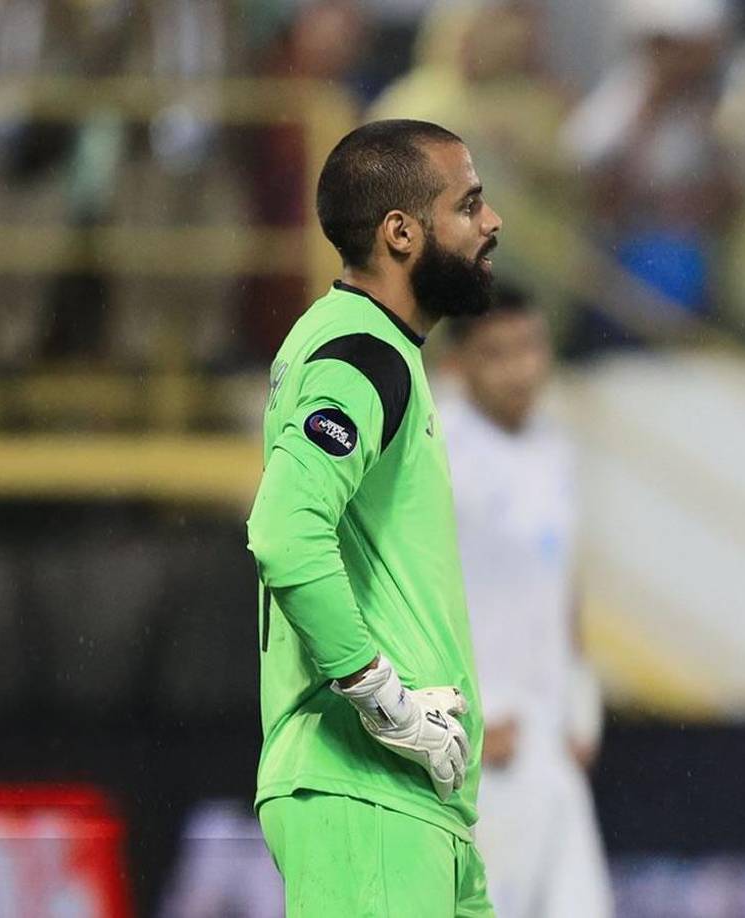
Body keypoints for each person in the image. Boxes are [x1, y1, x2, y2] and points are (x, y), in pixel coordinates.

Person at [246, 119, 503, 917]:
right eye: (469, 205)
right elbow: (284, 532)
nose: (491, 224)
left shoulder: (361, 345)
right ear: (401, 232)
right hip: (367, 791)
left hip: (413, 802)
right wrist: (383, 700)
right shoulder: (365, 357)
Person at [439, 288, 613, 918]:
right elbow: (394, 600)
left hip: (547, 734)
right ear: (458, 364)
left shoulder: (554, 451)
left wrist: (581, 700)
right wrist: (456, 720)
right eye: (497, 353)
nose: (521, 369)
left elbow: (561, 587)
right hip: (480, 741)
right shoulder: (434, 458)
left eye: (531, 348)